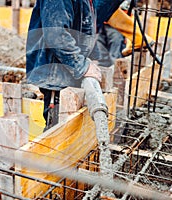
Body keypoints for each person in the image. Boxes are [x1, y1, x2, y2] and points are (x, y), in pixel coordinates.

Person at [26, 0, 125, 128]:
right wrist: (82, 67)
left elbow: (86, 26)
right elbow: (56, 36)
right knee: (57, 129)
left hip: (69, 67)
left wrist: (92, 57)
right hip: (56, 72)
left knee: (72, 127)